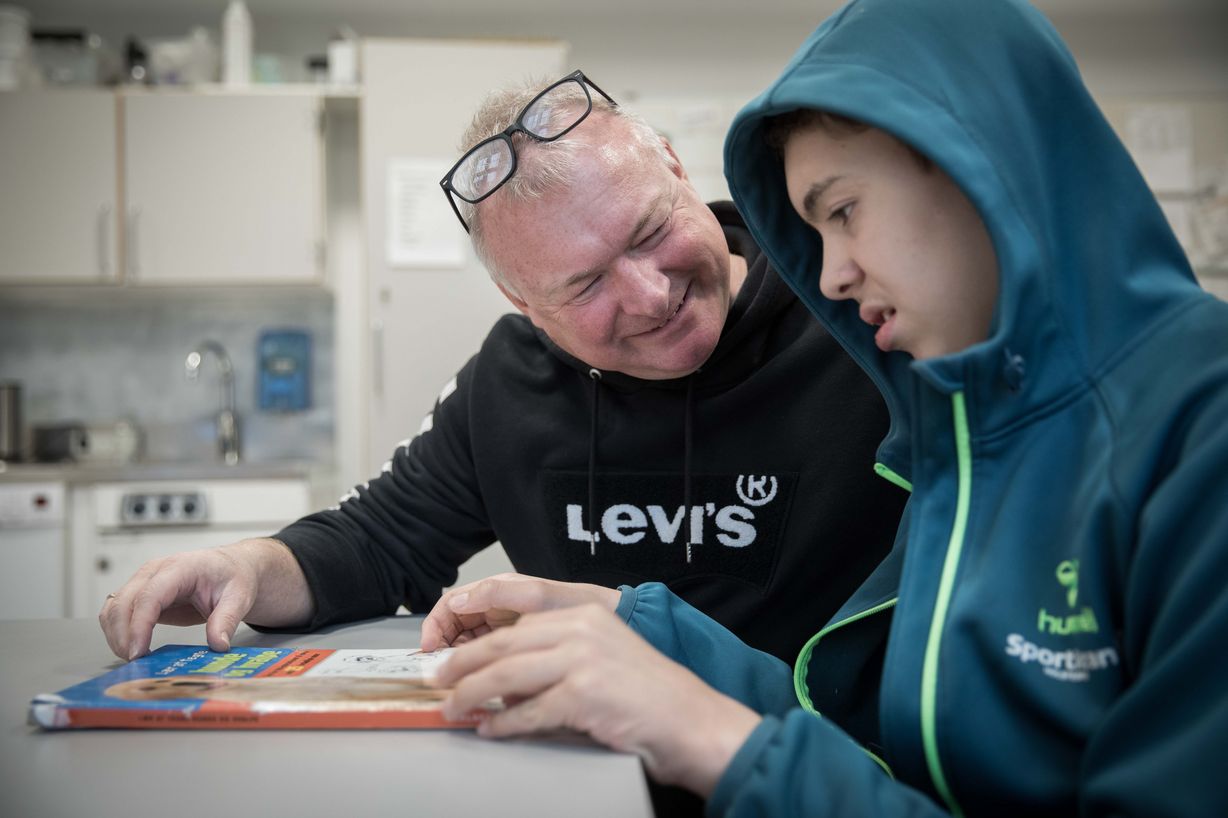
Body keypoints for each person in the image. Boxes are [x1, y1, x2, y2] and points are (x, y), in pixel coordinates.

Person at [417, 0, 1228, 814]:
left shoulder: (1200, 423)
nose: (831, 275)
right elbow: (878, 749)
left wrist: (717, 741)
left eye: (842, 211)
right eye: (585, 284)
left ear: (985, 161)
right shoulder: (961, 436)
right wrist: (633, 630)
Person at [98, 71, 906, 679]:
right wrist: (244, 568)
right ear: (520, 300)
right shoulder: (508, 384)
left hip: (819, 761)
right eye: (584, 286)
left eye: (650, 232)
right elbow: (376, 543)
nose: (650, 294)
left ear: (675, 168)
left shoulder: (857, 311)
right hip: (588, 768)